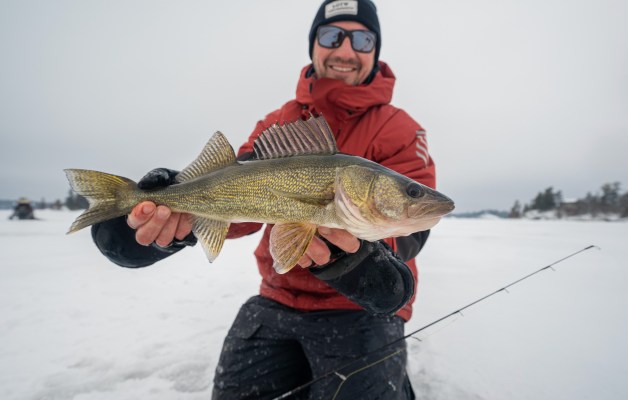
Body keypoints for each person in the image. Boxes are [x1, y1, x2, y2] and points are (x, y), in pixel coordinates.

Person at [91, 1, 437, 398]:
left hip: (362, 311)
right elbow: (239, 201)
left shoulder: (402, 130)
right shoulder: (279, 122)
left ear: (375, 50)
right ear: (314, 46)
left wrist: (367, 266)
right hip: (277, 298)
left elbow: (413, 230)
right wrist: (170, 219)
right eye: (331, 36)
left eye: (361, 38)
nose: (345, 50)